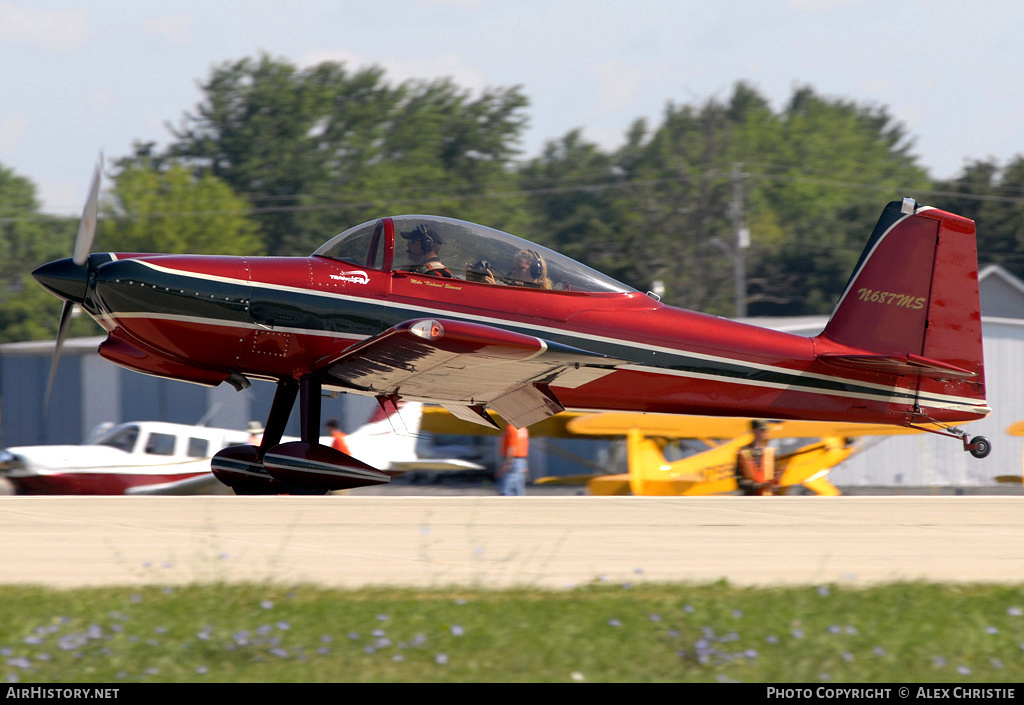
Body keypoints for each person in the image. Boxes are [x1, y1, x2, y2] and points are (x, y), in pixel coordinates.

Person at [735, 420, 778, 496]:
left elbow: (776, 478)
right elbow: (739, 482)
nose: (766, 432)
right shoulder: (743, 452)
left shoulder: (770, 452)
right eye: (762, 430)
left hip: (768, 497)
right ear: (754, 431)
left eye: (766, 430)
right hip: (750, 497)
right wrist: (758, 486)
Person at [496, 423, 529, 496]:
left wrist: (507, 462)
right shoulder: (523, 428)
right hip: (521, 460)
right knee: (518, 488)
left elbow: (512, 447)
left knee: (506, 488)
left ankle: (506, 506)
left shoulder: (511, 428)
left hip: (513, 460)